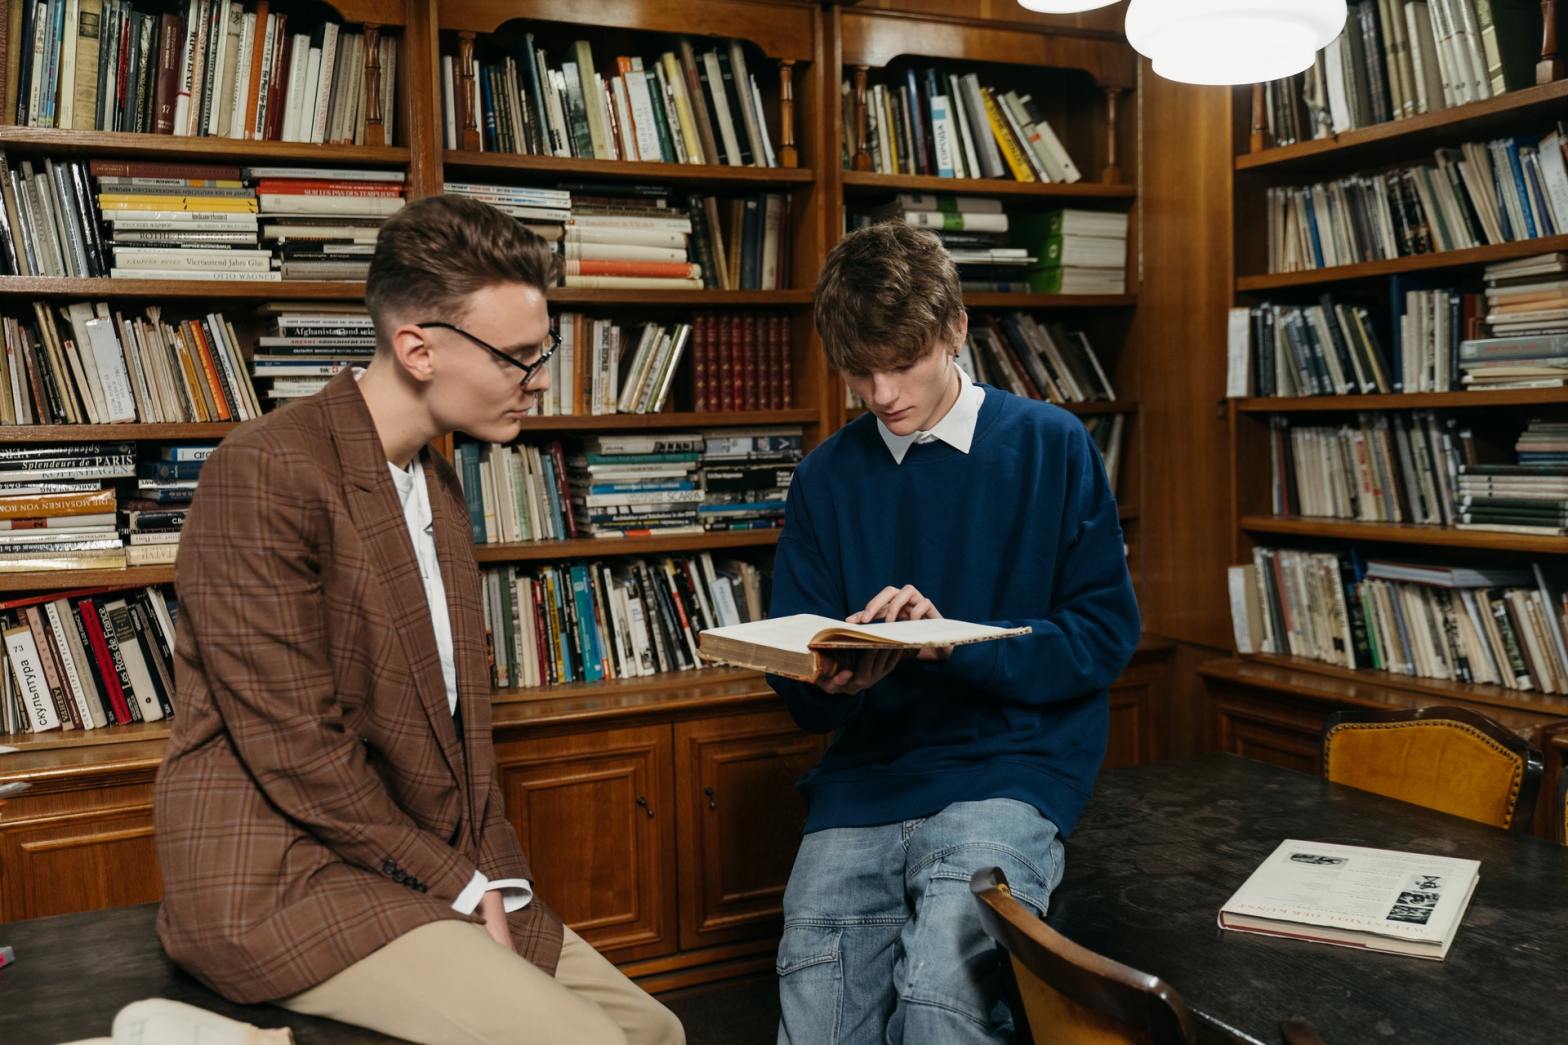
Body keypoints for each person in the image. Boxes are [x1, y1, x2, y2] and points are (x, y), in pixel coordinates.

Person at [153, 195, 684, 1045]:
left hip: (409, 865)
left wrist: (501, 887)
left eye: (538, 350)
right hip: (278, 875)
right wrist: (463, 888)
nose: (539, 375)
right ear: (417, 348)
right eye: (518, 356)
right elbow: (298, 750)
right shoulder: (264, 471)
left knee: (656, 1032)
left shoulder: (437, 486)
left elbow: (460, 753)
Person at [767, 221, 1141, 1044]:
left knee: (943, 1006)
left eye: (902, 363)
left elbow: (1103, 636)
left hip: (1008, 771)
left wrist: (953, 641)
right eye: (858, 372)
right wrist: (826, 681)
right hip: (865, 782)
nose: (881, 393)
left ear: (956, 330)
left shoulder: (1051, 445)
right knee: (815, 1027)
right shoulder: (826, 476)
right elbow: (799, 676)